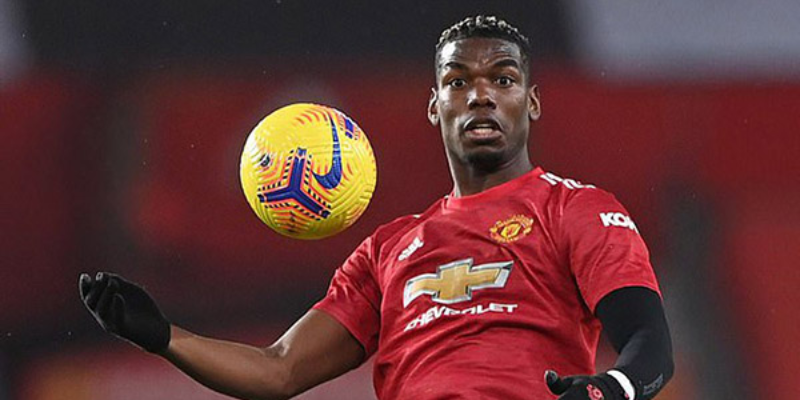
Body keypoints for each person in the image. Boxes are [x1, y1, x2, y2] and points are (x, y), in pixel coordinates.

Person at [80, 15, 674, 400]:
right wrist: (164, 337)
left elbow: (650, 344)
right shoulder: (389, 249)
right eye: (458, 81)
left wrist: (609, 389)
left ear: (532, 102)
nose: (481, 94)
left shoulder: (576, 210)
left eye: (503, 79)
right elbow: (279, 369)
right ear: (435, 106)